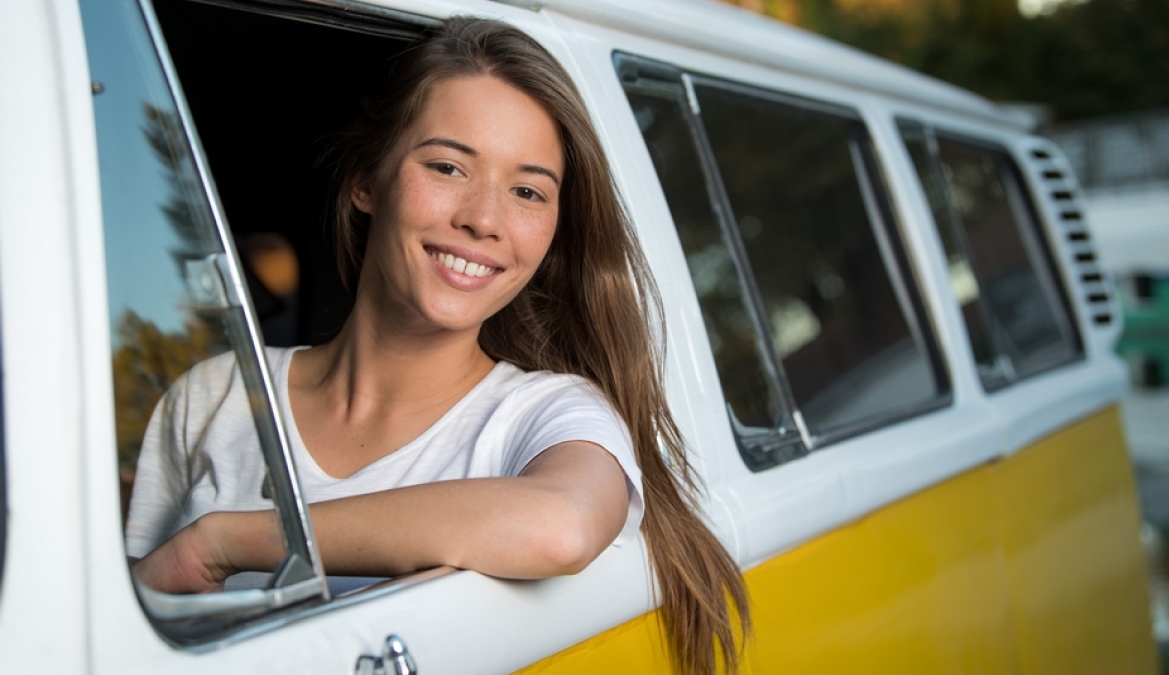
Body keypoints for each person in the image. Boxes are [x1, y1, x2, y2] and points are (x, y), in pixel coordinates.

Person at [124, 17, 749, 675]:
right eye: (448, 166)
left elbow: (561, 525)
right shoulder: (213, 395)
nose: (483, 218)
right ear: (367, 178)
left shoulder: (545, 415)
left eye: (528, 191)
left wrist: (225, 543)